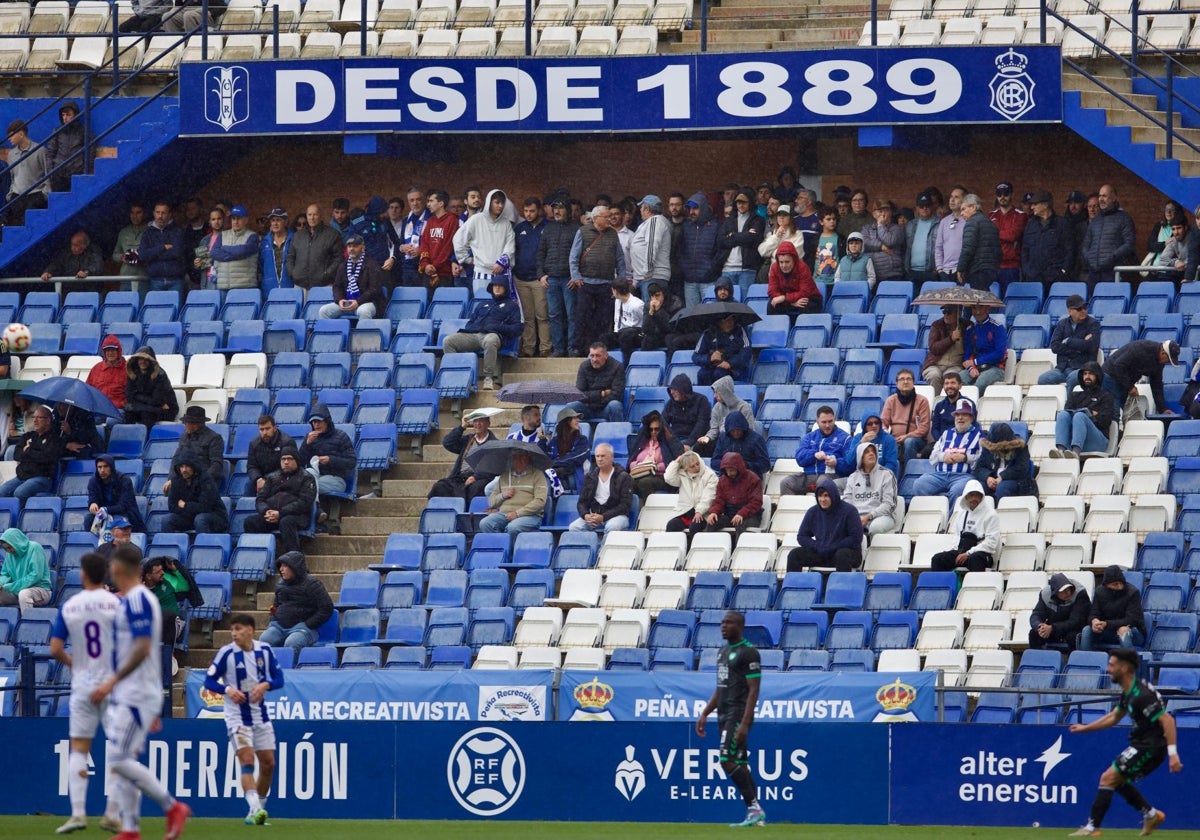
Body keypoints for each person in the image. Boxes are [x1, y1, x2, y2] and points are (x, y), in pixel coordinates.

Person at [89, 544, 192, 840]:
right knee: (124, 761)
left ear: (119, 568)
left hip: (135, 693)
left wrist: (113, 682)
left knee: (118, 760)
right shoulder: (135, 600)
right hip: (132, 693)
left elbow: (144, 647)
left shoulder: (137, 601)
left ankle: (171, 806)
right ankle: (131, 829)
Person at [1067, 648, 1181, 837]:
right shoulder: (1129, 691)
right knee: (1115, 781)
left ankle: (1092, 827)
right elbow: (1114, 717)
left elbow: (1167, 720)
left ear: (1125, 668)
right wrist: (1085, 728)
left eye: (1112, 665)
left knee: (1108, 778)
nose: (1108, 669)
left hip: (1151, 747)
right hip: (1141, 744)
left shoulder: (1142, 695)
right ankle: (1151, 815)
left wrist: (1173, 754)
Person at [50, 552, 123, 835]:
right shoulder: (116, 604)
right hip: (111, 685)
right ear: (105, 575)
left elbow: (55, 649)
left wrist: (75, 664)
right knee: (119, 748)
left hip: (82, 685)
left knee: (79, 748)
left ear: (83, 574)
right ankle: (111, 813)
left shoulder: (69, 606)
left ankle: (78, 813)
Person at [204, 614, 284, 827]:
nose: (234, 634)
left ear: (250, 630)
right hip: (236, 717)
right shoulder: (226, 653)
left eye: (238, 629)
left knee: (268, 764)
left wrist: (264, 685)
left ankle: (256, 810)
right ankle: (255, 809)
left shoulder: (264, 651)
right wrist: (228, 689)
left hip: (260, 715)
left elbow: (279, 679)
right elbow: (208, 680)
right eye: (232, 630)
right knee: (247, 760)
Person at [696, 610, 765, 828]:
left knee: (726, 760)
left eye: (729, 623)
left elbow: (754, 690)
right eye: (722, 622)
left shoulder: (749, 653)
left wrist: (745, 723)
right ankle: (755, 816)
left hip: (737, 714)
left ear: (740, 626)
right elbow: (721, 687)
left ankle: (754, 808)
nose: (723, 626)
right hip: (723, 714)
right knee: (741, 765)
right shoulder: (722, 652)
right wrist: (706, 712)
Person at [441, 277, 524, 391]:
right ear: (491, 288)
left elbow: (517, 328)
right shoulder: (482, 304)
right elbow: (469, 324)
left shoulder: (512, 306)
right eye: (495, 285)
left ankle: (488, 378)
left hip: (493, 336)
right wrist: (477, 327)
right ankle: (456, 377)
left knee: (490, 340)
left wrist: (496, 327)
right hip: (474, 335)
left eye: (500, 285)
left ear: (506, 288)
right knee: (448, 341)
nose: (497, 287)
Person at [244, 446, 316, 554]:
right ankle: (258, 556)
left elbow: (304, 503)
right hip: (273, 515)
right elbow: (260, 499)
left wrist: (280, 513)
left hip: (297, 516)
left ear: (296, 460)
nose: (286, 462)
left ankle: (293, 559)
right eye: (283, 459)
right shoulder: (272, 477)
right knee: (250, 522)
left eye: (290, 459)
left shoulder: (307, 478)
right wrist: (266, 511)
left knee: (286, 522)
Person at [260, 551, 334, 656]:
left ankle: (290, 671)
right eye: (280, 566)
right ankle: (269, 670)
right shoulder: (280, 584)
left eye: (285, 566)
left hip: (303, 628)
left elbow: (327, 608)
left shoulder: (312, 584)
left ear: (295, 567)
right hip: (279, 627)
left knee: (292, 643)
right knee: (264, 641)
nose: (281, 569)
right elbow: (276, 605)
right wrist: (274, 620)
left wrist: (308, 624)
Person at [787, 478, 864, 572]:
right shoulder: (813, 512)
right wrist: (817, 546)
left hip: (845, 552)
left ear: (833, 495)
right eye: (820, 496)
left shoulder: (850, 511)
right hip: (822, 552)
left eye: (826, 496)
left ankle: (842, 586)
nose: (822, 499)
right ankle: (793, 585)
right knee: (795, 555)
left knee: (842, 555)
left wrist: (833, 547)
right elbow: (802, 536)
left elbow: (855, 538)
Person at [912, 399, 982, 500]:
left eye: (964, 414)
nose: (960, 418)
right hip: (939, 475)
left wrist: (965, 458)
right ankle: (935, 512)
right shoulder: (946, 433)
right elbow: (933, 456)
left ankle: (951, 515)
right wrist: (943, 456)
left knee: (957, 491)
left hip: (963, 476)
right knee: (919, 484)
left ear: (971, 418)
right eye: (957, 415)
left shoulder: (979, 435)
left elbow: (982, 460)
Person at [538, 197, 583, 356]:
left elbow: (581, 256)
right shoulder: (548, 229)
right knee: (554, 315)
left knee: (572, 314)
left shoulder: (577, 228)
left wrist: (576, 276)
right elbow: (541, 253)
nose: (557, 211)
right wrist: (541, 275)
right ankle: (558, 349)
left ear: (568, 211)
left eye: (561, 208)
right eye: (555, 208)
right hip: (551, 279)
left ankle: (572, 347)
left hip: (569, 279)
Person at [298, 403, 357, 521]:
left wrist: (331, 460)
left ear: (327, 421)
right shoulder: (309, 438)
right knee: (308, 473)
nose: (316, 424)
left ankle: (315, 514)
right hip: (315, 476)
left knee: (304, 486)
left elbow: (351, 462)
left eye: (319, 421)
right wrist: (306, 444)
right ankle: (316, 511)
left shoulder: (341, 436)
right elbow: (299, 463)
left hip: (337, 479)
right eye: (313, 422)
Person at [453, 188, 515, 295]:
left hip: (501, 274)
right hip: (481, 274)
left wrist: (502, 262)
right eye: (497, 202)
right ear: (489, 203)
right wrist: (466, 259)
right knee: (482, 306)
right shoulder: (476, 219)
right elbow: (458, 240)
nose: (500, 206)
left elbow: (510, 246)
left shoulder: (506, 223)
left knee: (500, 308)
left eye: (502, 203)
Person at [690, 452, 763, 541]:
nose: (729, 473)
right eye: (727, 470)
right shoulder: (723, 480)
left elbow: (756, 502)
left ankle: (738, 550)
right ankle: (711, 548)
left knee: (740, 524)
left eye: (731, 470)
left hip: (750, 515)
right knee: (712, 522)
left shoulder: (753, 479)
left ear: (739, 468)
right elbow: (719, 501)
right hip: (730, 514)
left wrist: (741, 514)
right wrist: (714, 512)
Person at [930, 480, 1000, 572]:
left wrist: (968, 553)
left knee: (974, 559)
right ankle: (944, 586)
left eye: (977, 495)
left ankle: (975, 586)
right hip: (962, 551)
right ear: (966, 497)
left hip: (983, 555)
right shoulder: (962, 514)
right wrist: (954, 551)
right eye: (971, 495)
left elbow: (991, 543)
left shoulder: (991, 514)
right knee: (938, 559)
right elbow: (957, 536)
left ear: (981, 496)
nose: (974, 498)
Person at [780, 406, 852, 495]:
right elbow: (799, 458)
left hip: (831, 475)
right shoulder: (809, 437)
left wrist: (836, 463)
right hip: (809, 476)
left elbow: (850, 464)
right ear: (817, 422)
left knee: (823, 483)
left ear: (834, 420)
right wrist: (814, 455)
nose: (827, 425)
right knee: (786, 483)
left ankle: (822, 509)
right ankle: (791, 508)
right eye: (824, 422)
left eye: (830, 421)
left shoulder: (845, 438)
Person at [430, 409, 498, 502]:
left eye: (481, 420)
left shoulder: (494, 444)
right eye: (475, 421)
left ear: (488, 423)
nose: (478, 424)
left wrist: (475, 477)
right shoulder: (469, 439)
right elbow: (448, 443)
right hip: (459, 478)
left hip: (479, 478)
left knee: (476, 488)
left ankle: (466, 515)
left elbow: (493, 468)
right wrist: (462, 427)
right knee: (440, 486)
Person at [1052, 361, 1116, 458]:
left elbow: (1105, 421)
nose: (1087, 376)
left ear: (1097, 376)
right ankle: (1061, 450)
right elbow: (1067, 415)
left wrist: (1088, 415)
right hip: (1076, 439)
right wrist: (1092, 413)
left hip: (1098, 441)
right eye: (1085, 374)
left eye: (1090, 373)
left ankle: (1075, 453)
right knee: (1063, 415)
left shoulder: (1106, 397)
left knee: (1080, 416)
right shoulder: (1075, 395)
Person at [1102, 339, 1179, 419]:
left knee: (1119, 414)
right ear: (1163, 353)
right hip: (1110, 377)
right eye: (1168, 360)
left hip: (1123, 382)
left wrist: (1162, 409)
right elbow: (1118, 365)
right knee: (1113, 413)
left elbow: (1157, 386)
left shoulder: (1159, 362)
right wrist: (1130, 387)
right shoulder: (1141, 348)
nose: (1167, 363)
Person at [318, 233, 387, 321]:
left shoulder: (372, 264)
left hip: (368, 302)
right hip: (347, 302)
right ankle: (332, 334)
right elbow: (337, 286)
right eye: (349, 246)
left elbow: (374, 289)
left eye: (355, 246)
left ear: (363, 248)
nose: (351, 249)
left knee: (363, 311)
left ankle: (364, 335)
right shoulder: (343, 265)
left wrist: (358, 301)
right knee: (324, 311)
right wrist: (339, 300)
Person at [0, 404, 62, 501]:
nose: (35, 420)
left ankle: (23, 515)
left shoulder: (54, 439)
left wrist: (28, 450)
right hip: (22, 477)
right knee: (1, 492)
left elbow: (46, 458)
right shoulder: (28, 436)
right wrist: (35, 451)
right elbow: (17, 455)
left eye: (39, 417)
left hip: (42, 478)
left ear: (48, 420)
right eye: (34, 417)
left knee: (19, 493)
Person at [1081, 183, 1137, 290]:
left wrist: (1112, 257)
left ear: (1114, 198)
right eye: (1100, 196)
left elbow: (1129, 244)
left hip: (1113, 272)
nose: (1101, 199)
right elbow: (1085, 245)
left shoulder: (1124, 218)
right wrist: (1089, 258)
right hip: (1093, 273)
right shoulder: (1095, 221)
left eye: (1104, 196)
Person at [479, 450, 548, 535]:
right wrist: (502, 496)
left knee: (513, 527)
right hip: (504, 514)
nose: (519, 460)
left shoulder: (537, 475)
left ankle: (511, 548)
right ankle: (500, 547)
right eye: (516, 457)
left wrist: (517, 513)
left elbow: (540, 501)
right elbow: (491, 502)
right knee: (485, 523)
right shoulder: (504, 476)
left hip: (530, 515)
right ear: (512, 460)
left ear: (528, 459)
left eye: (523, 457)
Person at [1039, 294, 1101, 389]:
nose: (1083, 311)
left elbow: (1092, 346)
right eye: (1079, 309)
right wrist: (1078, 349)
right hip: (1062, 368)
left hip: (1083, 369)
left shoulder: (1093, 324)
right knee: (1043, 379)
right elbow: (1055, 346)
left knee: (1072, 379)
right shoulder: (1062, 324)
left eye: (1084, 307)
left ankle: (1068, 403)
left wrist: (1068, 341)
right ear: (1070, 311)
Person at [1080, 565, 1146, 651]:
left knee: (1123, 631)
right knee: (1087, 630)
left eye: (1120, 583)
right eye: (1115, 584)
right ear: (1107, 585)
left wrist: (1107, 624)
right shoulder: (1100, 592)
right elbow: (1093, 612)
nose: (1119, 586)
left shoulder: (1132, 593)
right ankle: (1085, 661)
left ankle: (1129, 662)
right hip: (1108, 630)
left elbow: (1132, 619)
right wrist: (1094, 621)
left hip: (1133, 632)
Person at [569, 443, 633, 533]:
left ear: (611, 457)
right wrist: (586, 515)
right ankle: (591, 545)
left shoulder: (623, 476)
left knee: (612, 526)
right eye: (597, 456)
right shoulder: (590, 477)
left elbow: (625, 505)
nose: (599, 459)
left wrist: (603, 517)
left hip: (617, 516)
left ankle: (604, 547)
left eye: (603, 456)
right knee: (574, 527)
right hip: (595, 515)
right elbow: (581, 502)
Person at [715, 188, 765, 300]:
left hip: (747, 269)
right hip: (727, 269)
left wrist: (732, 235)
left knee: (745, 304)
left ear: (750, 203)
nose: (740, 205)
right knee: (727, 304)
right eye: (738, 202)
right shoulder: (728, 221)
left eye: (744, 202)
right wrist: (745, 235)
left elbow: (753, 239)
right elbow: (721, 241)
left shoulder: (758, 220)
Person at [628, 410, 684, 505]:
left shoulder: (668, 441)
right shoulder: (642, 441)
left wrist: (655, 466)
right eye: (651, 429)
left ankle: (646, 511)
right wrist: (641, 465)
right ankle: (631, 513)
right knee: (627, 481)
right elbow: (631, 462)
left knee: (644, 482)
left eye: (656, 429)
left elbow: (674, 462)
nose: (653, 432)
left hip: (662, 478)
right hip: (640, 474)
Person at [843, 442, 898, 536]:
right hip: (857, 517)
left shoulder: (887, 474)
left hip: (881, 516)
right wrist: (854, 518)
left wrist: (869, 516)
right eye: (867, 452)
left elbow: (889, 504)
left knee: (875, 527)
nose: (871, 453)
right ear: (861, 456)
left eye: (873, 451)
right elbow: (847, 502)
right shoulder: (853, 477)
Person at [694, 375, 756, 458]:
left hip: (739, 440)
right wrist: (708, 437)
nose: (714, 396)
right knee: (700, 446)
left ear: (725, 392)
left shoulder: (744, 407)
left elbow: (750, 430)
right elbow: (714, 429)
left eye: (717, 392)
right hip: (722, 441)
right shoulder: (717, 407)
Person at [166, 453, 229, 533]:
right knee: (167, 520)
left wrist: (185, 505)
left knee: (200, 519)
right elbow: (171, 506)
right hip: (189, 517)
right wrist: (189, 510)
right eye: (181, 467)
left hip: (215, 516)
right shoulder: (176, 480)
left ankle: (203, 545)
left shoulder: (206, 479)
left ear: (194, 467)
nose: (184, 470)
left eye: (187, 466)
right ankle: (170, 545)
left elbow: (205, 507)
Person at [1021, 190, 1075, 285]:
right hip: (1034, 278)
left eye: (1035, 204)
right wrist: (1027, 270)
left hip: (1055, 279)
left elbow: (1070, 250)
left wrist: (1063, 271)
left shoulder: (1062, 224)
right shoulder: (1030, 226)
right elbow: (1025, 251)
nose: (1032, 207)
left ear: (1045, 205)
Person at [287, 204, 344, 291]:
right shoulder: (298, 236)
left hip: (324, 285)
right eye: (309, 215)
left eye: (315, 215)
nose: (312, 218)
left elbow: (339, 258)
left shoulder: (332, 235)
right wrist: (293, 273)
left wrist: (326, 274)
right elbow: (290, 256)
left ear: (320, 216)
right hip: (300, 285)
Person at [565, 342, 625, 423]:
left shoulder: (617, 367)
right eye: (592, 356)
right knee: (571, 406)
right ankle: (567, 435)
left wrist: (593, 401)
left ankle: (617, 434)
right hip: (587, 408)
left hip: (606, 407)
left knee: (615, 405)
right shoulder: (584, 366)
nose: (594, 359)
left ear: (606, 356)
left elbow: (617, 395)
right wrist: (602, 394)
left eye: (598, 356)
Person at [974, 422, 1036, 500]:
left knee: (1002, 488)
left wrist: (1002, 477)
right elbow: (979, 468)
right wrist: (988, 478)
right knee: (977, 487)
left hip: (1017, 482)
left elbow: (1021, 468)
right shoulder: (988, 448)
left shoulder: (1021, 449)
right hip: (993, 479)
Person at [679, 192, 721, 308]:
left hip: (709, 281)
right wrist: (685, 269)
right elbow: (680, 251)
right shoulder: (686, 226)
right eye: (690, 209)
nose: (692, 212)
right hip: (690, 281)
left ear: (703, 208)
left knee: (710, 315)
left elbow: (719, 252)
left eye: (695, 208)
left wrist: (711, 269)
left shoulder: (715, 226)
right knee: (691, 317)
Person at [1028, 573, 1090, 651]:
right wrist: (1040, 627)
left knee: (1073, 637)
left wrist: (1052, 628)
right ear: (1055, 592)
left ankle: (1074, 661)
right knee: (1034, 634)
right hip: (1055, 628)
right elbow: (1036, 614)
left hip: (1074, 629)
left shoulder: (1080, 594)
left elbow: (1076, 621)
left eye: (1068, 589)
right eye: (1063, 591)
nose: (1067, 593)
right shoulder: (1045, 595)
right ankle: (1036, 661)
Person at [4, 118, 48, 225]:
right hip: (16, 197)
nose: (9, 139)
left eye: (12, 135)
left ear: (21, 134)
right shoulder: (11, 154)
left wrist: (45, 194)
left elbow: (48, 174)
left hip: (34, 196)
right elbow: (13, 176)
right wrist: (10, 194)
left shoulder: (40, 150)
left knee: (32, 228)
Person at [880, 369, 930, 462]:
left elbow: (924, 427)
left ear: (913, 382)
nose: (905, 381)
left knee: (909, 442)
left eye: (909, 379)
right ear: (896, 383)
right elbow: (883, 422)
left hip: (916, 440)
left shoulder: (922, 401)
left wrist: (906, 436)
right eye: (902, 379)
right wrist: (887, 435)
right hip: (894, 438)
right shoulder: (891, 400)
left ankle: (908, 472)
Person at [124, 345, 178, 430]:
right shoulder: (133, 373)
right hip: (149, 407)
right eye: (140, 359)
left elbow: (157, 399)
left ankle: (147, 440)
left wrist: (137, 396)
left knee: (146, 414)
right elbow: (129, 396)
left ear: (151, 361)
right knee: (128, 412)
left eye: (146, 359)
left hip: (166, 410)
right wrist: (141, 400)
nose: (143, 362)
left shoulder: (160, 375)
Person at [87, 454, 145, 533]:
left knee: (119, 521)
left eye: (105, 466)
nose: (102, 470)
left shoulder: (124, 480)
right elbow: (92, 497)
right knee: (88, 519)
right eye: (99, 467)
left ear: (111, 467)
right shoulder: (93, 481)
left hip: (124, 513)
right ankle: (95, 543)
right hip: (102, 515)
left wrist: (106, 510)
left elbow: (123, 506)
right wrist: (92, 503)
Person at [663, 450, 718, 533]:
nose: (697, 467)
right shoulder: (682, 474)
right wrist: (676, 462)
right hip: (684, 512)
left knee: (695, 526)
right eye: (692, 466)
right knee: (671, 525)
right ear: (686, 468)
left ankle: (693, 545)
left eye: (697, 463)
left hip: (704, 513)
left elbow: (709, 497)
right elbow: (668, 478)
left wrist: (699, 511)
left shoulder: (710, 475)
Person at [692, 312, 752, 386]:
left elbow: (747, 352)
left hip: (734, 368)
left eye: (731, 319)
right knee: (702, 374)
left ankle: (723, 396)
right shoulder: (708, 333)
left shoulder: (739, 331)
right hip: (712, 367)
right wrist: (710, 358)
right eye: (726, 320)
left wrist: (730, 363)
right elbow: (695, 356)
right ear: (719, 322)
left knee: (719, 373)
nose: (730, 323)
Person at [209, 205, 261, 290]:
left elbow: (243, 251)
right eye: (233, 218)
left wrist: (224, 248)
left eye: (239, 218)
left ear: (246, 220)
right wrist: (235, 255)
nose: (236, 222)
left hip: (244, 286)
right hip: (223, 287)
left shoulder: (253, 236)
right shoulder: (223, 234)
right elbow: (214, 253)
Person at [922, 305, 970, 398]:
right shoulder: (937, 325)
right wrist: (951, 339)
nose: (946, 315)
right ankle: (934, 404)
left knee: (951, 378)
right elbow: (933, 348)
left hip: (955, 365)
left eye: (949, 312)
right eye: (944, 312)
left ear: (958, 313)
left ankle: (949, 404)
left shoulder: (966, 326)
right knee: (934, 376)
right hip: (935, 364)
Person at [0, 526, 52, 612]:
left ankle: (27, 623)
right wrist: (1, 583)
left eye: (10, 547)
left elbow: (36, 575)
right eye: (6, 549)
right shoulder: (10, 555)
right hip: (17, 591)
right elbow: (5, 574)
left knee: (24, 594)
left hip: (41, 590)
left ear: (16, 542)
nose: (9, 551)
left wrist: (10, 586)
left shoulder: (35, 548)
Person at [960, 302, 1008, 395]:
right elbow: (967, 354)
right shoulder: (970, 330)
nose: (977, 312)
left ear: (987, 308)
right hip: (976, 367)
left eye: (980, 308)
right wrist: (970, 368)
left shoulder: (998, 327)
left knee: (980, 384)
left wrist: (975, 362)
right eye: (974, 308)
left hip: (995, 368)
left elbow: (999, 354)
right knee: (958, 379)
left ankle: (974, 407)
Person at [956, 193, 1001, 290]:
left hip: (977, 269)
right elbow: (999, 251)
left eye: (963, 209)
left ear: (973, 207)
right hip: (991, 270)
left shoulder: (971, 223)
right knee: (984, 299)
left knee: (977, 301)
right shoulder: (991, 223)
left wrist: (960, 268)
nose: (961, 214)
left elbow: (967, 249)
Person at [766, 240, 821, 318]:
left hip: (808, 297)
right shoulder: (774, 268)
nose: (784, 265)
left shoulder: (803, 267)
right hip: (787, 300)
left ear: (794, 260)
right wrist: (789, 301)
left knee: (805, 304)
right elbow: (772, 291)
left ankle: (803, 329)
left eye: (787, 262)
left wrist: (785, 298)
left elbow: (805, 292)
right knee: (772, 304)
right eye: (781, 262)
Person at [710, 411, 770, 480]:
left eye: (738, 430)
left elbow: (765, 465)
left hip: (750, 480)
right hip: (727, 479)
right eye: (733, 431)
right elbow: (714, 461)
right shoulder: (723, 438)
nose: (736, 433)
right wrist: (727, 465)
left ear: (743, 428)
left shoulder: (756, 439)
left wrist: (745, 465)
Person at [246, 415, 296, 495]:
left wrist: (268, 479)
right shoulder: (254, 444)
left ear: (275, 428)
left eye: (267, 428)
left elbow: (289, 467)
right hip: (262, 478)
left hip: (283, 477)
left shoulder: (287, 442)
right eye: (261, 429)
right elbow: (251, 466)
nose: (265, 432)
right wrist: (258, 479)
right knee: (248, 486)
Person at [661, 373, 710, 450]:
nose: (672, 392)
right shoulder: (670, 403)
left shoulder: (701, 401)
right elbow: (663, 423)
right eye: (671, 389)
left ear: (683, 390)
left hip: (696, 441)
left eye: (675, 389)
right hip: (675, 441)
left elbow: (702, 424)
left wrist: (689, 443)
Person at [860, 199, 904, 284]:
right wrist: (881, 246)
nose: (883, 214)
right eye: (880, 211)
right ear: (874, 214)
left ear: (890, 212)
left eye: (886, 211)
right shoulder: (866, 228)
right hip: (872, 275)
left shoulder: (896, 228)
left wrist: (880, 225)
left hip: (892, 274)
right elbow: (864, 242)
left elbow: (889, 241)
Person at [928, 370, 973, 447]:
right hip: (941, 443)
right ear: (943, 386)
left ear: (960, 386)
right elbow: (934, 429)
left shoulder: (968, 404)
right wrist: (941, 441)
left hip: (961, 443)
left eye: (953, 383)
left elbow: (972, 426)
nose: (949, 386)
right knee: (926, 451)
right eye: (946, 383)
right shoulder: (939, 405)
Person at [86, 335, 127, 410]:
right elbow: (88, 390)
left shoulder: (127, 369)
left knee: (111, 421)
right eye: (107, 350)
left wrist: (123, 404)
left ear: (118, 351)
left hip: (118, 410)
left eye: (113, 350)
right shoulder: (96, 369)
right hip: (99, 409)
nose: (110, 353)